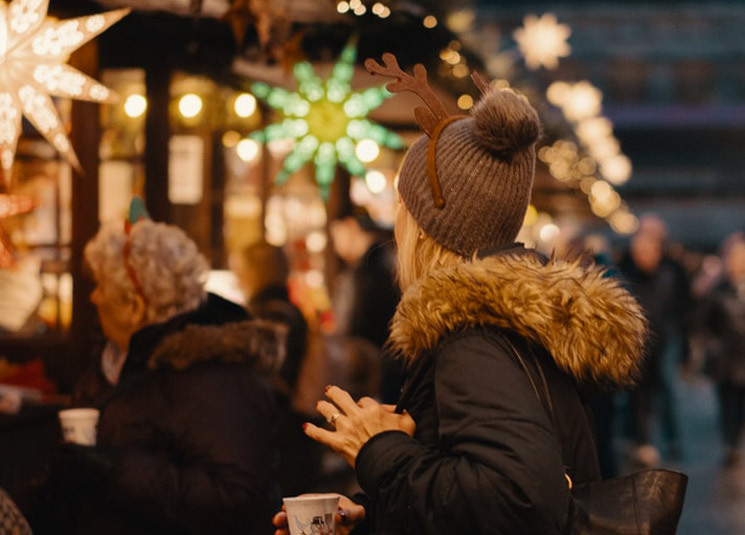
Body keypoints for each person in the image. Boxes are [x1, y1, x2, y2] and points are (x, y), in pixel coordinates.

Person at [273, 60, 647, 534]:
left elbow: (520, 501)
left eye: (403, 207)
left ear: (428, 227)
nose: (396, 222)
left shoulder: (474, 339)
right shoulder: (515, 323)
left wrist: (380, 449)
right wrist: (373, 516)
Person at [35, 203, 284, 535]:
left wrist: (113, 471)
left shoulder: (214, 375)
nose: (94, 298)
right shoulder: (118, 360)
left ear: (135, 306)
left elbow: (235, 498)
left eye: (101, 286)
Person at [235, 239, 324, 496]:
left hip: (280, 435)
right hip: (293, 433)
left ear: (256, 270)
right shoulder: (288, 310)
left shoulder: (270, 315)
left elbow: (268, 380)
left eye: (241, 268)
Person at [618, 215, 684, 465]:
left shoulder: (671, 271)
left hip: (664, 341)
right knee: (638, 396)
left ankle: (671, 439)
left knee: (666, 393)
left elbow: (679, 307)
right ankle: (641, 440)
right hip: (638, 344)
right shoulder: (627, 271)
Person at [330, 213, 402, 404]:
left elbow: (356, 327)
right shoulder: (383, 262)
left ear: (350, 225)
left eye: (336, 234)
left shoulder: (369, 271)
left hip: (375, 373)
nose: (335, 245)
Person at [702, 233, 745, 467]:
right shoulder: (718, 289)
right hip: (726, 359)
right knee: (728, 403)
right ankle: (730, 444)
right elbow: (703, 319)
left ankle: (734, 441)